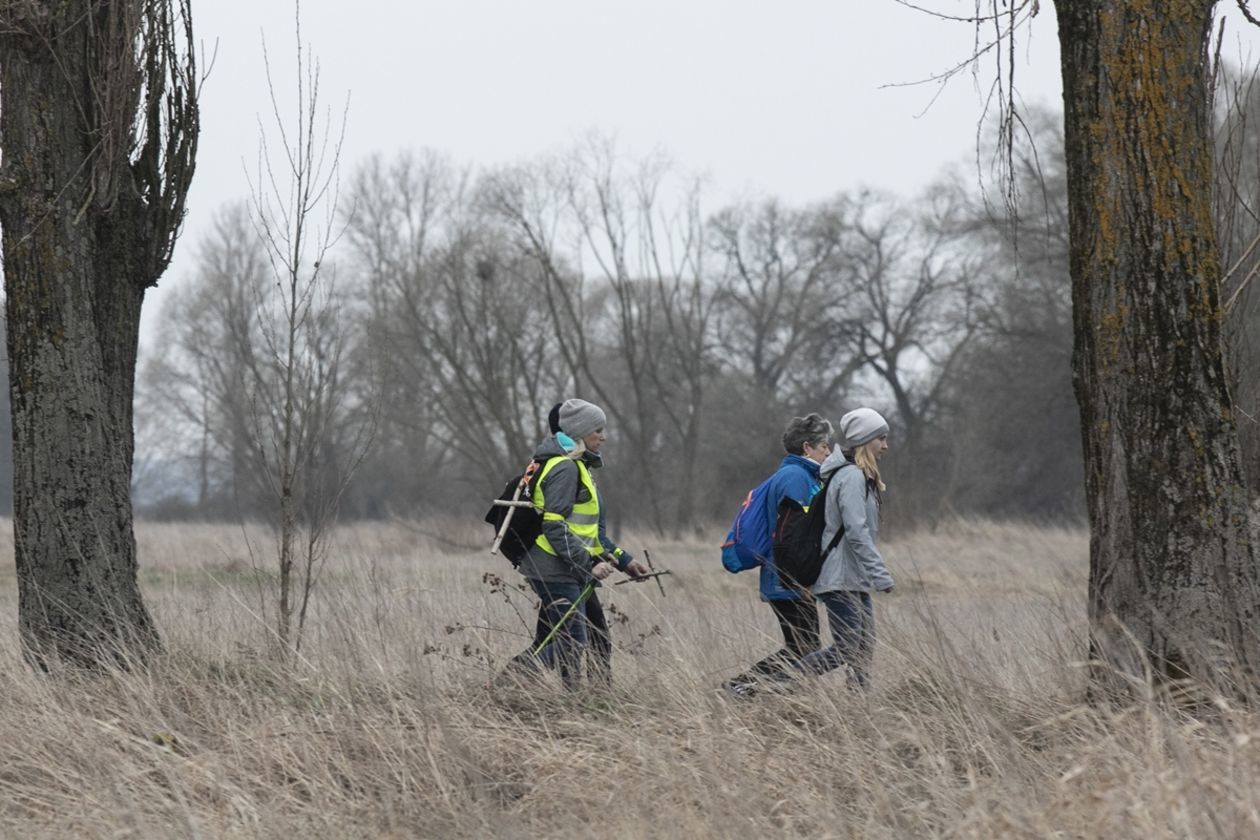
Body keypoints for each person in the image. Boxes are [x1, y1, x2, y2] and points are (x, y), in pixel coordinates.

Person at [512, 398, 648, 689]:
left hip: (570, 567)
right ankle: (515, 685)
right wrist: (589, 564)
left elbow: (592, 535)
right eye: (598, 429)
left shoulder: (579, 466)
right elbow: (553, 525)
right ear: (580, 432)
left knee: (593, 635)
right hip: (554, 568)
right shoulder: (565, 469)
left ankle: (594, 697)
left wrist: (624, 561)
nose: (604, 436)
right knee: (571, 640)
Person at [722, 413, 834, 697]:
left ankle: (747, 691)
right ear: (807, 447)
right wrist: (800, 581)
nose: (829, 451)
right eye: (824, 446)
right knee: (804, 648)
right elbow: (790, 537)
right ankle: (738, 689)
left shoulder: (797, 475)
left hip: (785, 578)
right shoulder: (795, 478)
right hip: (787, 578)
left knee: (802, 647)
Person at [796, 407, 894, 690]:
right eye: (881, 439)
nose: (885, 446)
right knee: (848, 647)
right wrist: (881, 575)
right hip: (839, 579)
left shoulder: (858, 476)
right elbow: (856, 532)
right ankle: (778, 683)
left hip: (853, 578)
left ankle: (859, 708)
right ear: (866, 440)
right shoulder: (851, 477)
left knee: (863, 646)